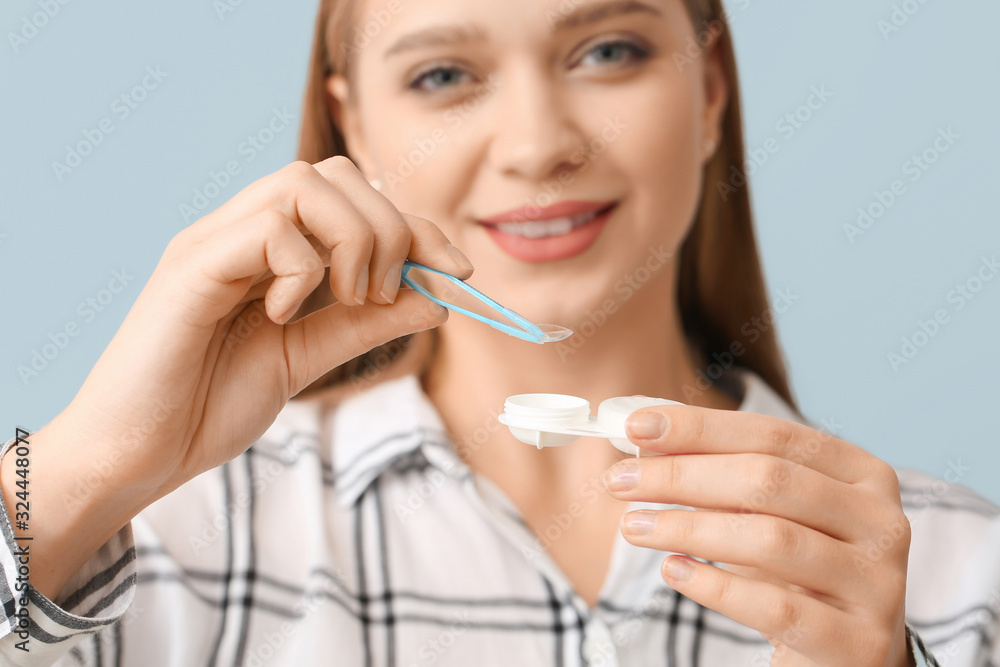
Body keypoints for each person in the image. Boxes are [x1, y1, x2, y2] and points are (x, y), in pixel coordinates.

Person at [1, 0, 997, 664]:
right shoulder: (168, 541)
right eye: (442, 75)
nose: (537, 146)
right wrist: (81, 475)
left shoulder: (957, 569)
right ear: (355, 126)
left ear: (709, 88)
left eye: (608, 51)